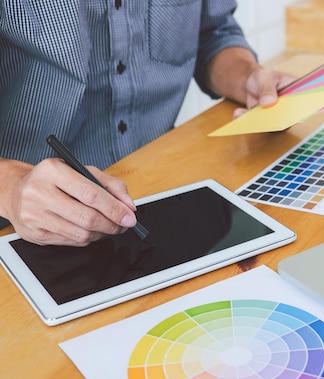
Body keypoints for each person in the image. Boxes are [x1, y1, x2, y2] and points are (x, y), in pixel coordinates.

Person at [0, 1, 294, 247]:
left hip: (168, 193)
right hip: (23, 225)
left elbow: (214, 34)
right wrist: (12, 188)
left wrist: (247, 77)